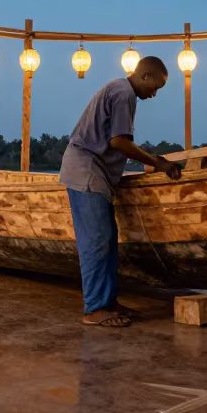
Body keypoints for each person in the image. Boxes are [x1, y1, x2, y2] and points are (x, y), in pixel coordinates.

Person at [59, 56, 183, 327]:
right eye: (155, 87)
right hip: (87, 171)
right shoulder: (123, 93)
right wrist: (158, 162)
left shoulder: (120, 90)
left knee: (107, 242)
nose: (154, 94)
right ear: (145, 76)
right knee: (96, 242)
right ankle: (94, 309)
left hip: (95, 173)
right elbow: (119, 141)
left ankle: (108, 302)